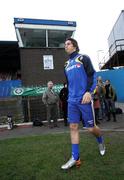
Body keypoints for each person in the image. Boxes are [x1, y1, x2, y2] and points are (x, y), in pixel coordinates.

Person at [61, 38, 105, 170]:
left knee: (91, 128)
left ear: (74, 46)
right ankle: (75, 157)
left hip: (84, 99)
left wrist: (88, 92)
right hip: (72, 101)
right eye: (65, 45)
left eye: (68, 44)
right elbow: (69, 83)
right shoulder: (66, 64)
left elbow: (92, 75)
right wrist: (69, 95)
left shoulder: (83, 58)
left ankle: (100, 140)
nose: (66, 46)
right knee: (73, 127)